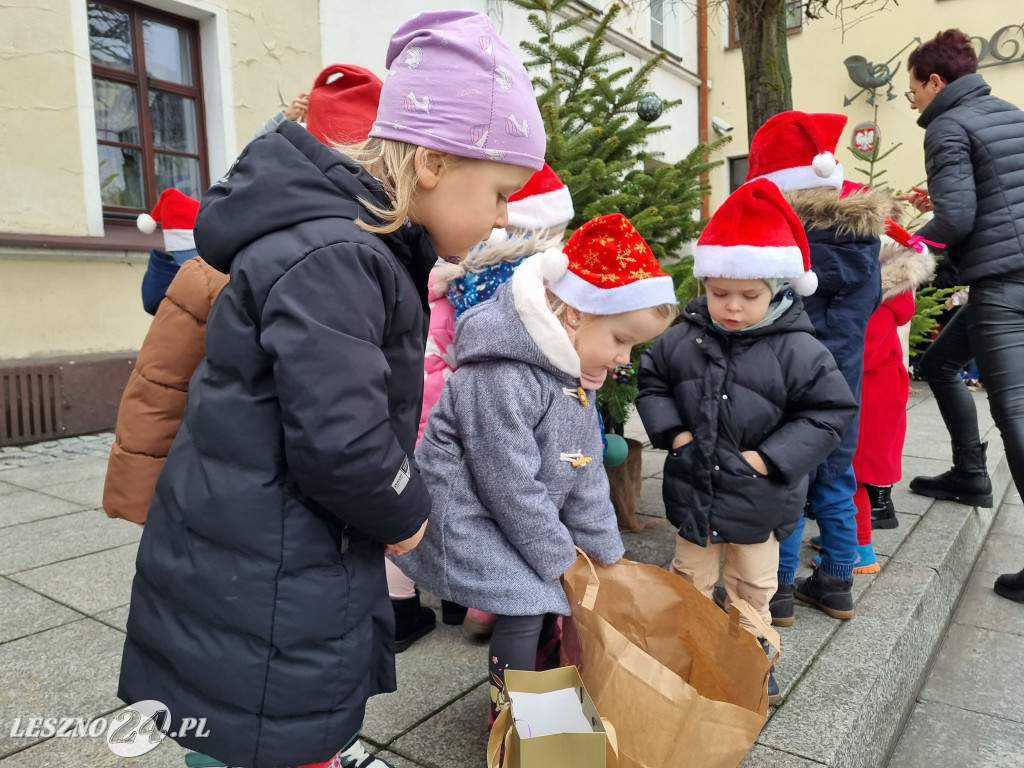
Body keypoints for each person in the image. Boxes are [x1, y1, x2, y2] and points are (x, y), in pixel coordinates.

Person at [115, 10, 545, 768]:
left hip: (264, 542)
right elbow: (342, 439)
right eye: (502, 192)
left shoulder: (354, 244)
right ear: (434, 164)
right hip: (270, 557)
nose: (502, 217)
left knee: (257, 710)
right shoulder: (338, 256)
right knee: (261, 714)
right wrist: (406, 515)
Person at [394, 213, 677, 722]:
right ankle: (517, 715)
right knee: (528, 598)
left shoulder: (576, 379)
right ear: (572, 314)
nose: (623, 358)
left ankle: (548, 689)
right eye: (620, 338)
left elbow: (587, 474)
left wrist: (604, 557)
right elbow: (507, 483)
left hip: (508, 510)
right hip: (462, 509)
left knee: (555, 593)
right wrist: (559, 556)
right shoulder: (502, 375)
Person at [637, 179, 857, 705]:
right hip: (695, 488)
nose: (732, 307)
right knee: (689, 575)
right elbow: (652, 379)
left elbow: (829, 413)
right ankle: (688, 648)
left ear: (779, 289)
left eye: (749, 296)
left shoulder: (799, 349)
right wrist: (677, 434)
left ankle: (753, 658)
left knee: (754, 586)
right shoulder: (682, 337)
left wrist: (770, 458)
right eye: (719, 294)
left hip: (760, 497)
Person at [388, 163, 576, 648]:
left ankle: (405, 604)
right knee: (489, 497)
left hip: (424, 409)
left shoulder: (451, 276)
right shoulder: (529, 291)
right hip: (478, 410)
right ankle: (477, 605)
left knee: (423, 505)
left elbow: (433, 342)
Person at [743, 111, 889, 624]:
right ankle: (837, 583)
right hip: (841, 384)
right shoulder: (864, 243)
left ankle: (779, 592)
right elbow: (870, 304)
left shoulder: (781, 241)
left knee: (787, 479)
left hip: (787, 383)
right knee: (837, 478)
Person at [895, 29, 1024, 604]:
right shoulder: (1006, 113)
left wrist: (900, 259)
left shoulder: (948, 125)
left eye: (913, 91)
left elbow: (956, 219)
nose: (914, 102)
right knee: (943, 364)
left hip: (1004, 285)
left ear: (936, 82)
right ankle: (970, 473)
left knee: (1014, 413)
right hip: (1011, 271)